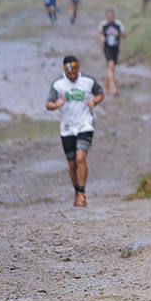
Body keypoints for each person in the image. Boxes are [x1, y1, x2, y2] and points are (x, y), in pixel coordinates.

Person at [46, 56, 104, 207]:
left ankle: (82, 194)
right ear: (65, 71)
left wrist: (94, 101)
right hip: (67, 128)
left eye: (75, 72)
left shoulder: (88, 81)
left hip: (85, 124)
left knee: (80, 158)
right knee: (71, 164)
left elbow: (100, 93)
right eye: (69, 73)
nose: (73, 76)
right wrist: (56, 104)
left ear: (78, 68)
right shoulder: (58, 85)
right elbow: (48, 104)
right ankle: (76, 190)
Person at [98, 9, 125, 96]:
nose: (110, 18)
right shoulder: (103, 24)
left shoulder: (118, 24)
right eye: (109, 17)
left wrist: (119, 34)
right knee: (111, 64)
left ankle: (106, 84)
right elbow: (99, 33)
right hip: (107, 48)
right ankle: (113, 88)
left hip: (115, 48)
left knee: (112, 68)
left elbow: (124, 35)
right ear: (106, 17)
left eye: (112, 17)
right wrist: (102, 38)